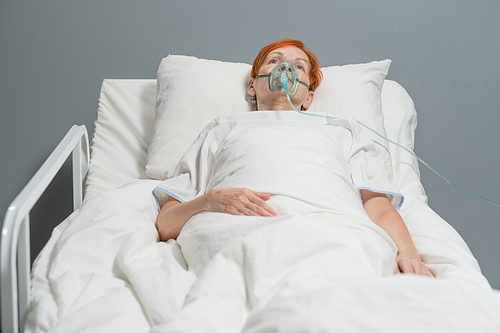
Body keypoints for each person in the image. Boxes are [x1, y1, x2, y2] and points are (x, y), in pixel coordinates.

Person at [154, 38, 434, 278]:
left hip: (333, 231)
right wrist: (210, 201)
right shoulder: (222, 127)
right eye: (273, 61)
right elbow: (166, 224)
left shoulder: (342, 129)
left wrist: (409, 254)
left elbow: (377, 205)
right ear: (252, 86)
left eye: (299, 66)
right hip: (234, 229)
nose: (285, 68)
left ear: (309, 98)